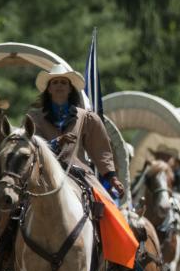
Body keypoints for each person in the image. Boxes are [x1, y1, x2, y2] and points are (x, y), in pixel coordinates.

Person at [26, 64, 124, 198]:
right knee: (16, 206)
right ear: (49, 89)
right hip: (44, 173)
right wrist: (56, 142)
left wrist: (112, 178)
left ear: (70, 89)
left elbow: (100, 149)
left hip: (79, 173)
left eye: (63, 82)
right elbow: (30, 145)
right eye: (55, 82)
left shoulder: (87, 117)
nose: (59, 85)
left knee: (107, 205)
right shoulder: (34, 118)